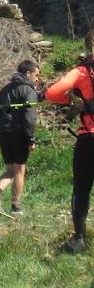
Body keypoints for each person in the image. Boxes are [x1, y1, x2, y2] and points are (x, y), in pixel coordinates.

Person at [44, 29, 94, 254]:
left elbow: (52, 93)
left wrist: (77, 100)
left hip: (88, 138)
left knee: (82, 188)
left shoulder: (82, 71)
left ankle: (79, 238)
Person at [0, 60, 42, 216]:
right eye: (36, 74)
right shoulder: (29, 91)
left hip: (4, 133)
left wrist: (0, 129)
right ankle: (16, 207)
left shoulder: (5, 89)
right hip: (19, 134)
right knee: (19, 170)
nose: (37, 78)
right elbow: (30, 118)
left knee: (10, 170)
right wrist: (31, 139)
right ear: (28, 74)